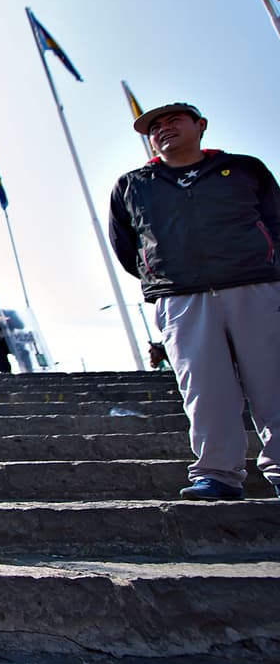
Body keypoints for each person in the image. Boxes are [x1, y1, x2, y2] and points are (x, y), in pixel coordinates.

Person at [109, 101, 280, 502]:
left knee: (273, 383)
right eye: (155, 127)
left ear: (200, 125)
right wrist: (164, 273)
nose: (164, 129)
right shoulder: (134, 183)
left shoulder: (243, 169)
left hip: (254, 286)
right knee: (204, 390)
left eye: (174, 121)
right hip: (181, 297)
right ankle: (218, 474)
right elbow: (126, 245)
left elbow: (276, 220)